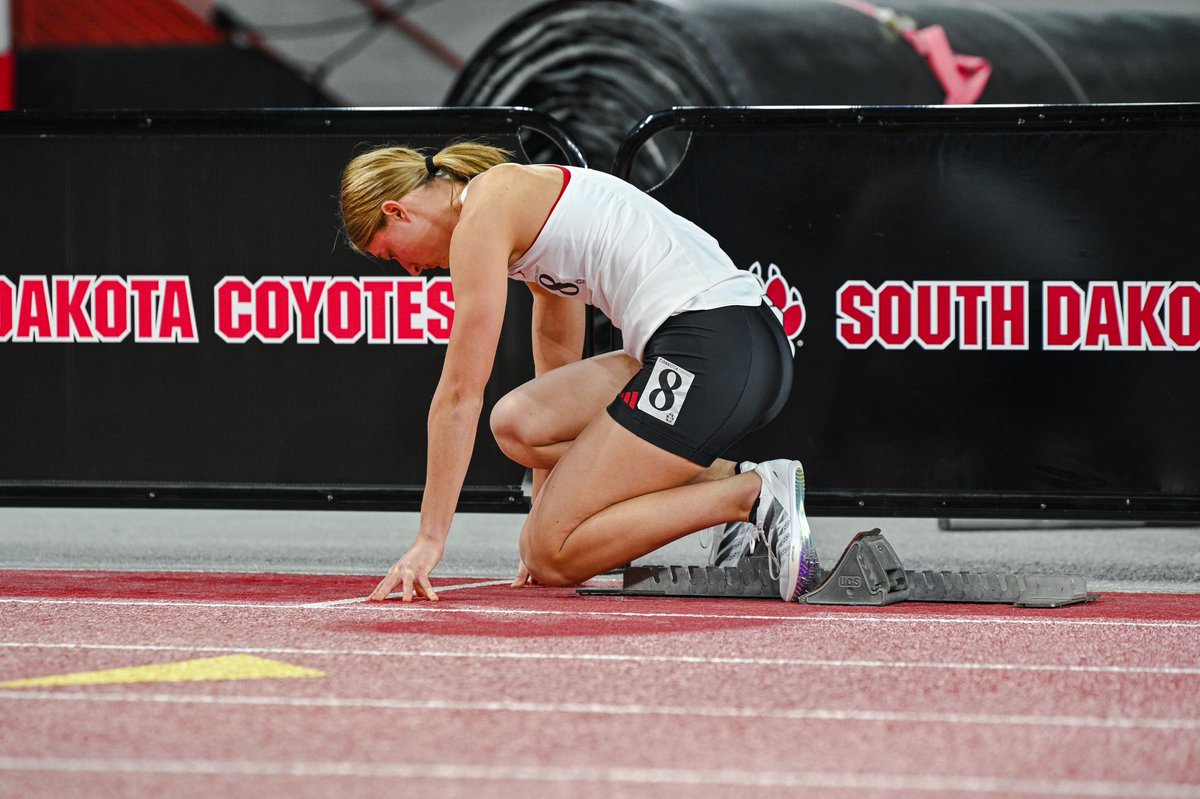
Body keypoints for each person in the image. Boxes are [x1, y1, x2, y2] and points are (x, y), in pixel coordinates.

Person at [338, 142, 819, 603]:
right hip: (732, 342)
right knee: (517, 424)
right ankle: (734, 481)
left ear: (396, 211)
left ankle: (751, 496)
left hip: (713, 348)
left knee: (550, 556)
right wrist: (546, 511)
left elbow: (460, 394)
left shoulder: (484, 214)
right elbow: (556, 360)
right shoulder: (516, 204)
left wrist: (429, 540)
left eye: (391, 254)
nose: (411, 271)